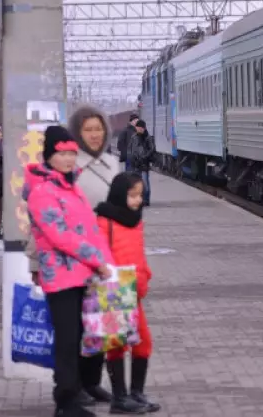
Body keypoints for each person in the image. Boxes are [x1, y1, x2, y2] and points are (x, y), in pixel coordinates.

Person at [28, 106, 123, 406]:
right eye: (62, 153)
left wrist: (106, 262)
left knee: (91, 331)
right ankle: (67, 398)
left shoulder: (71, 186)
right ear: (49, 157)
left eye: (71, 153)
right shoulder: (44, 191)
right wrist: (98, 260)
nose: (69, 158)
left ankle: (82, 389)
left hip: (85, 271)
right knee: (68, 339)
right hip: (62, 274)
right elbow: (60, 235)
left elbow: (91, 229)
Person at [97, 173, 160, 414]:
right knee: (117, 345)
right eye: (132, 195)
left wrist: (145, 275)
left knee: (143, 342)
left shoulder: (136, 220)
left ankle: (136, 393)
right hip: (116, 289)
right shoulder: (105, 221)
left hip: (135, 290)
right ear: (119, 194)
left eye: (140, 195)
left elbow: (139, 253)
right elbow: (99, 255)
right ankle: (119, 398)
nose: (138, 200)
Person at [127, 120, 154, 207]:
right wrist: (131, 158)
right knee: (137, 183)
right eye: (137, 127)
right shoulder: (133, 137)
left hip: (144, 163)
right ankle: (140, 199)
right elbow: (130, 149)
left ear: (143, 128)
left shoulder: (148, 138)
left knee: (145, 182)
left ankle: (146, 200)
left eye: (139, 127)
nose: (137, 129)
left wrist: (144, 157)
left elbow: (152, 149)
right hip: (135, 163)